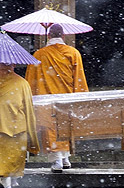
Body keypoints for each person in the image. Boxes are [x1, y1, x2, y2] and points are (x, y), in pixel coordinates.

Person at [25, 23, 88, 172]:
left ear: (48, 36)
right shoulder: (73, 53)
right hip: (67, 99)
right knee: (65, 127)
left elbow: (30, 80)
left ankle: (58, 160)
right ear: (63, 36)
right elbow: (79, 78)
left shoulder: (39, 54)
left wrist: (30, 98)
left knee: (51, 128)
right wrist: (81, 97)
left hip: (46, 99)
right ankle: (65, 158)